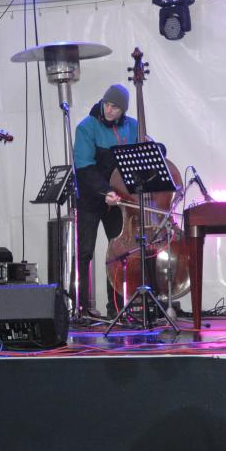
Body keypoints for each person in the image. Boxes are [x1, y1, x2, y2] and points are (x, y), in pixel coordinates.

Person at [74, 84, 139, 317]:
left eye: (115, 108)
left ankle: (117, 308)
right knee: (84, 253)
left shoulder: (133, 126)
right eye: (107, 105)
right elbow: (84, 167)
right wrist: (105, 192)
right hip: (91, 198)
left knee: (119, 253)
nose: (109, 110)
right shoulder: (86, 127)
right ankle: (81, 308)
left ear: (124, 110)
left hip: (119, 200)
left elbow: (142, 153)